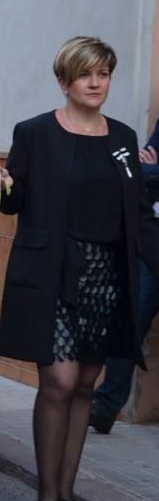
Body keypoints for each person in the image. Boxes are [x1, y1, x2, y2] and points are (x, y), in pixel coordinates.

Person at [0, 36, 159, 501]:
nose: (96, 83)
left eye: (105, 74)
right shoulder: (36, 133)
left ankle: (68, 499)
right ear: (65, 81)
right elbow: (17, 200)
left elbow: (135, 213)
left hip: (108, 275)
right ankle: (44, 500)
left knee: (87, 386)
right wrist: (3, 185)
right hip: (53, 274)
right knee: (59, 382)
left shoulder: (124, 138)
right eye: (86, 74)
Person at [89, 116, 159, 434]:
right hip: (153, 240)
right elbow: (139, 169)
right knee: (131, 319)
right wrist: (152, 171)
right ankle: (105, 407)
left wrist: (154, 170)